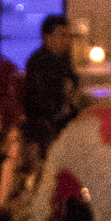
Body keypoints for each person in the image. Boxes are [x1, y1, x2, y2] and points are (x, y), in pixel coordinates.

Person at [22, 12, 83, 145]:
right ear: (47, 38)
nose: (67, 40)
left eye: (68, 36)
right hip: (45, 122)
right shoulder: (38, 62)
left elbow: (73, 81)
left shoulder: (64, 58)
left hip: (64, 116)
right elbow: (41, 99)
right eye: (62, 35)